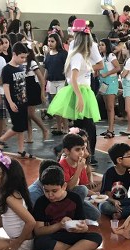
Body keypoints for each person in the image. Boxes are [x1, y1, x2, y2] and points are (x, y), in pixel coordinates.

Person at [47, 19, 104, 162]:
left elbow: (78, 73)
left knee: (80, 125)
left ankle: (64, 148)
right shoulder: (78, 54)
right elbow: (73, 77)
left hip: (81, 89)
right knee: (88, 125)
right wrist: (79, 96)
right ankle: (87, 154)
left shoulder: (81, 52)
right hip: (80, 90)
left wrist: (88, 69)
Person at [31, 166, 102, 250]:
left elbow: (83, 225)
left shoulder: (74, 198)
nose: (50, 195)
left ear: (64, 186)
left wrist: (83, 228)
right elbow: (38, 231)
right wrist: (59, 225)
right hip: (54, 236)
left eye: (54, 191)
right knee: (39, 243)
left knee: (96, 237)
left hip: (72, 235)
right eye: (46, 191)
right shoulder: (41, 202)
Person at [0, 43, 33, 159]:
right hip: (13, 101)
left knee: (23, 126)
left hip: (22, 100)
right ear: (14, 54)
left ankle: (21, 150)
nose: (23, 60)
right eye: (21, 57)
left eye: (25, 57)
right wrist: (10, 102)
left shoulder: (20, 67)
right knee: (18, 126)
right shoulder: (7, 69)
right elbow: (6, 86)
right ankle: (1, 139)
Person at [99, 142, 130, 218]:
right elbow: (106, 195)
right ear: (119, 160)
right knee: (104, 206)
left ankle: (121, 213)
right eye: (129, 157)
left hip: (123, 202)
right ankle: (127, 211)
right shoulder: (109, 173)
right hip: (110, 201)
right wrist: (114, 201)